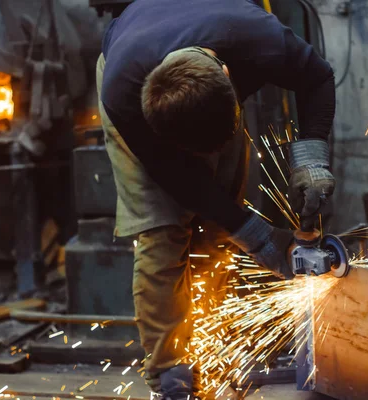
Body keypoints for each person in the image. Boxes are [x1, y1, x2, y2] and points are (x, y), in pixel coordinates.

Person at [95, 0, 336, 398]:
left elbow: (318, 77)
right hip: (134, 71)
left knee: (218, 226)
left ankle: (213, 348)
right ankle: (169, 371)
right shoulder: (122, 93)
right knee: (162, 229)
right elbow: (175, 176)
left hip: (203, 65)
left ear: (227, 75)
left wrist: (311, 160)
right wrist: (258, 236)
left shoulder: (262, 39)